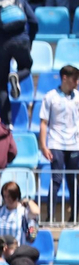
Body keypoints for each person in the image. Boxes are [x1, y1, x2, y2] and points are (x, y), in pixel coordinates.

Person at [39, 64, 79, 216]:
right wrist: (43, 145)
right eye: (74, 79)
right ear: (65, 78)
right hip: (56, 142)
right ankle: (50, 216)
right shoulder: (50, 97)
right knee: (56, 179)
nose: (77, 83)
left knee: (73, 181)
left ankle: (74, 216)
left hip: (74, 145)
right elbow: (43, 122)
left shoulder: (77, 97)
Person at [0, 178, 41, 246]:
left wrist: (28, 201)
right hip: (1, 251)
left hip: (18, 251)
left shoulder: (23, 211)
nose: (7, 199)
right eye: (5, 196)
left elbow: (36, 212)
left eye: (9, 196)